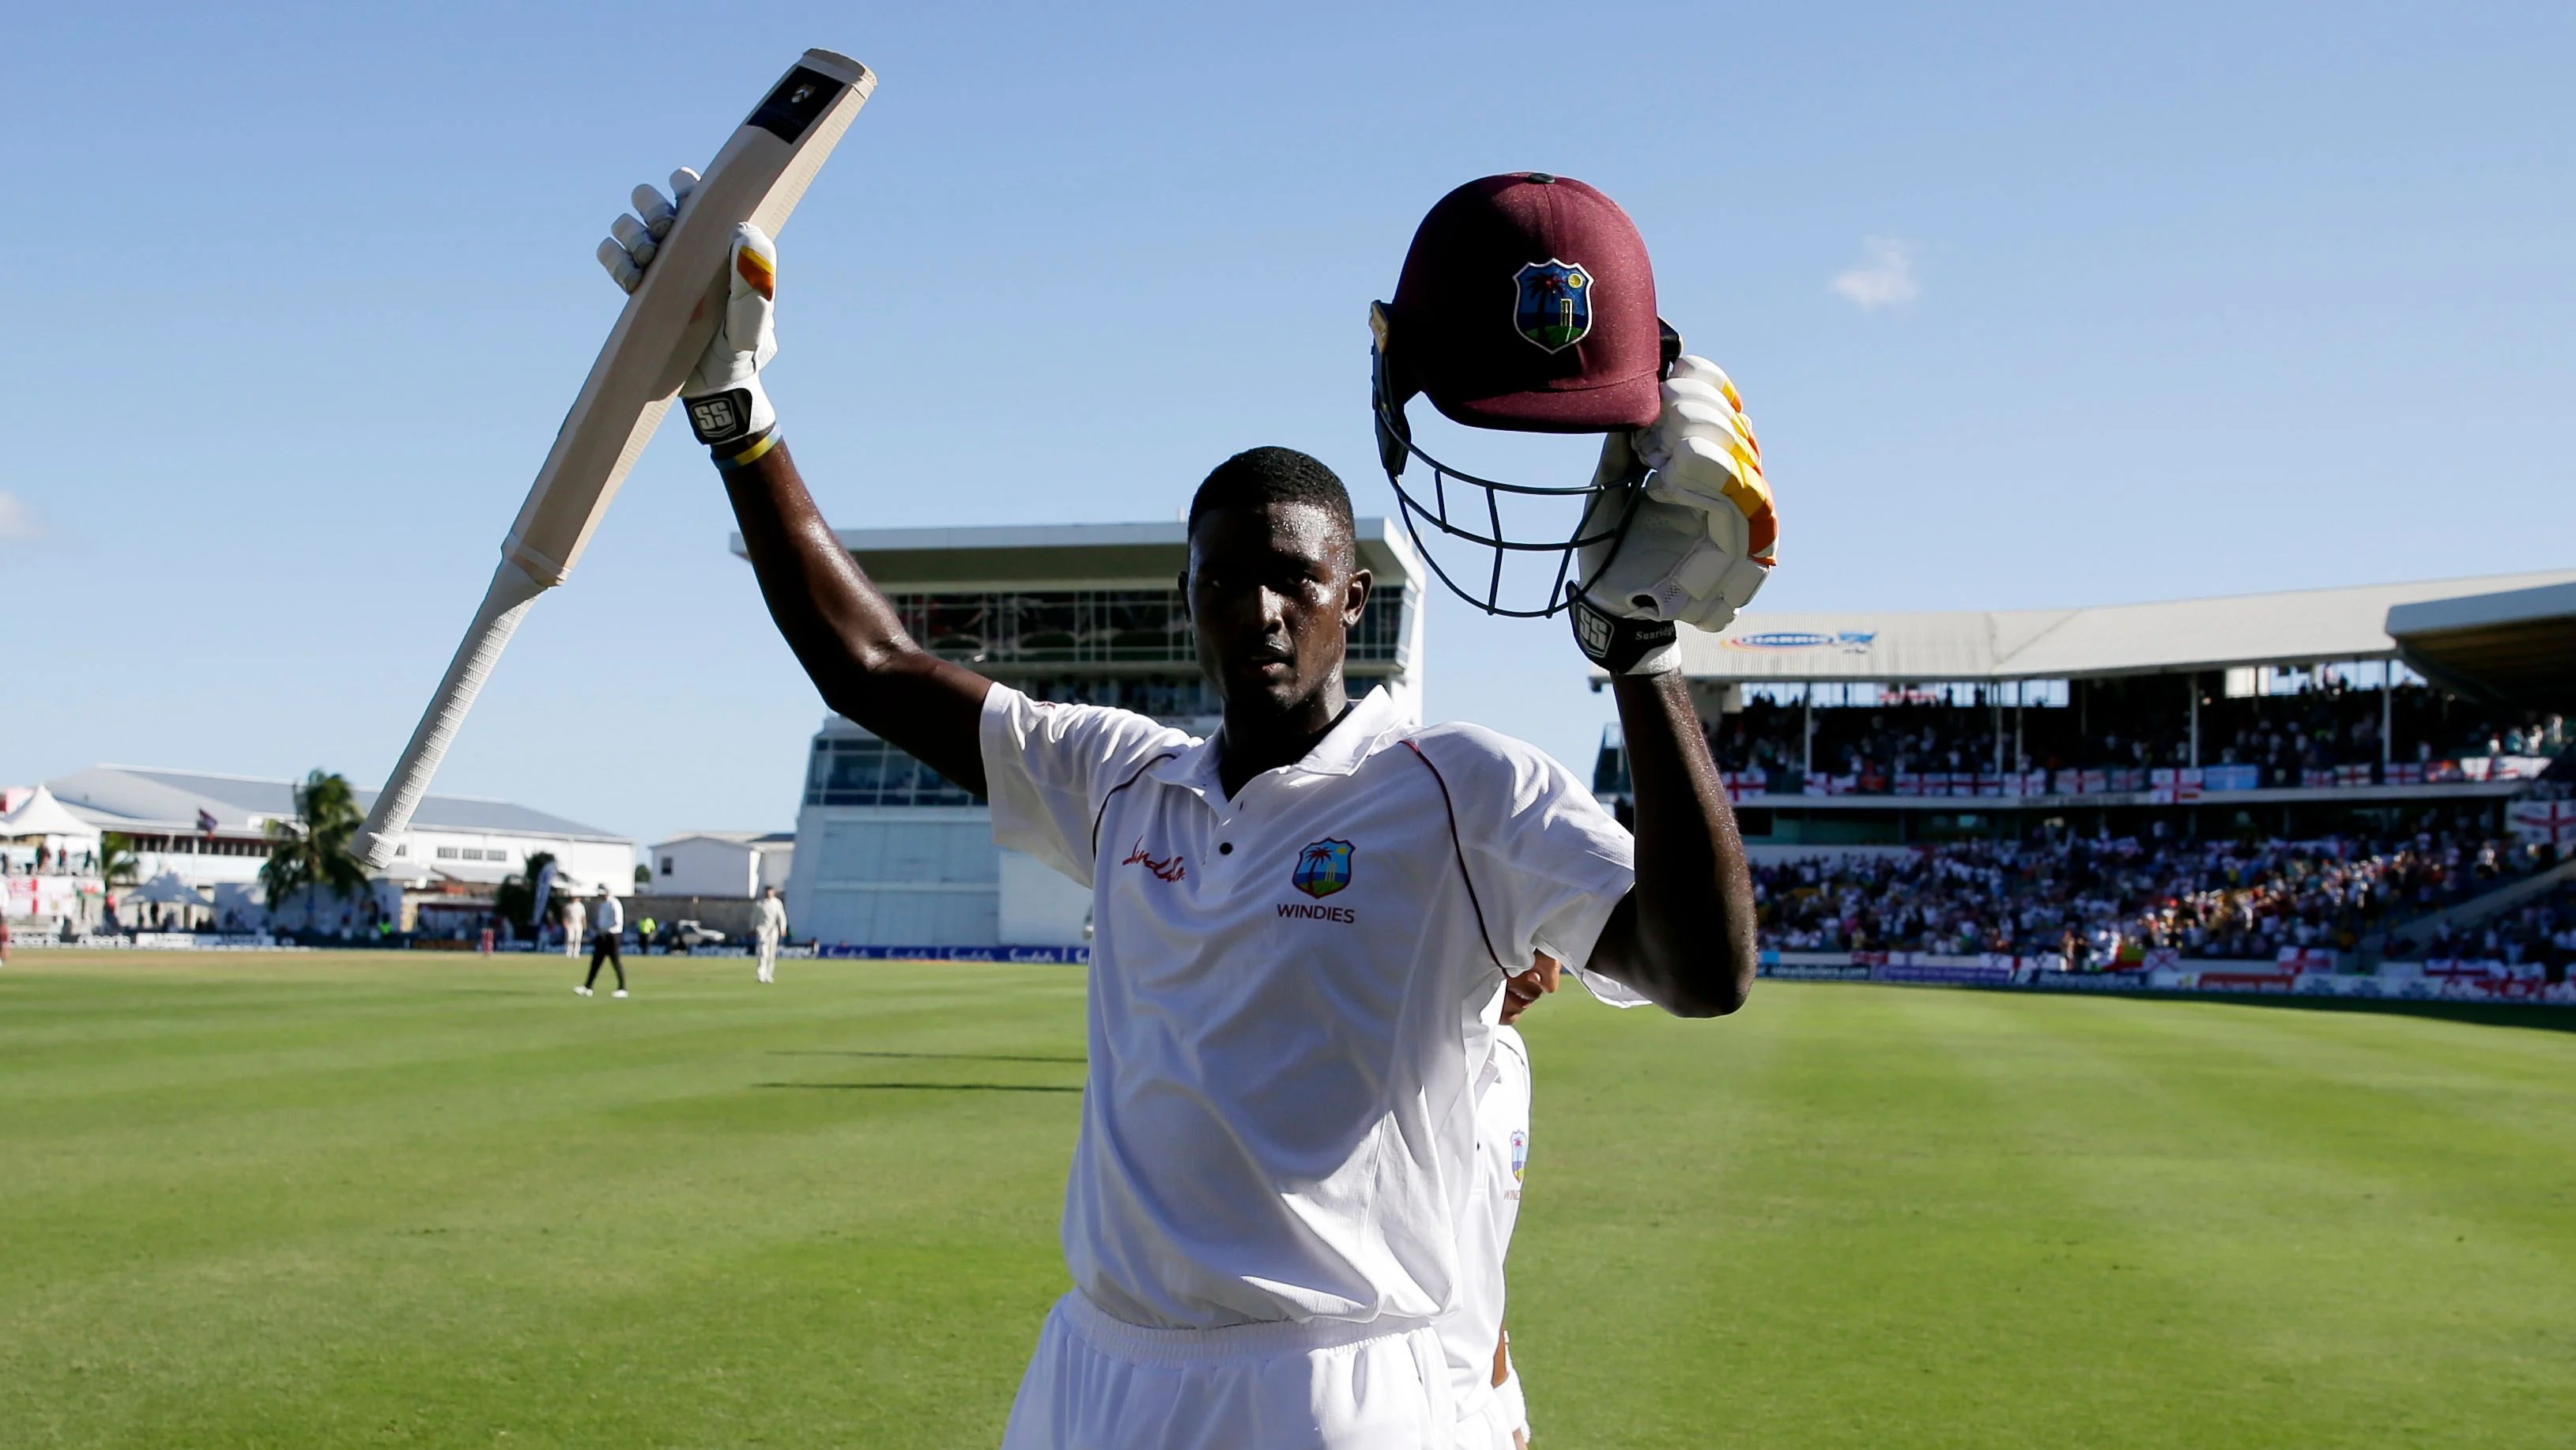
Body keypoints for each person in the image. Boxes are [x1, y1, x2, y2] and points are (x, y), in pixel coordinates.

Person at [595, 167, 1764, 1448]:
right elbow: (869, 664)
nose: (1260, 610)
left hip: (1340, 1384)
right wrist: (737, 412)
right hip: (1101, 1367)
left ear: (1350, 600)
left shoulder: (1462, 790)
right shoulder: (1120, 778)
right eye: (1226, 580)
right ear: (1188, 595)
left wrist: (1638, 653)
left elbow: (1700, 969)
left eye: (1293, 579)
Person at [579, 885, 627, 999]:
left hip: (612, 935)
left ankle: (623, 988)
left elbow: (617, 922)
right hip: (602, 935)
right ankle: (588, 987)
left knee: (615, 962)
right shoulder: (603, 904)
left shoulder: (614, 903)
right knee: (596, 962)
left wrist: (606, 929)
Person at [752, 885, 787, 984]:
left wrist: (783, 929)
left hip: (773, 930)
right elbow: (754, 917)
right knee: (763, 953)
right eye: (767, 891)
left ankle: (769, 975)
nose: (768, 893)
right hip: (762, 929)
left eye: (770, 891)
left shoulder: (777, 903)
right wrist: (752, 928)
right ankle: (761, 975)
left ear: (774, 892)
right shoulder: (760, 903)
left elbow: (782, 916)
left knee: (772, 954)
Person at [560, 893, 586, 961]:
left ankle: (576, 953)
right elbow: (565, 915)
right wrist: (565, 922)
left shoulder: (581, 906)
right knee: (570, 938)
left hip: (578, 924)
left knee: (577, 939)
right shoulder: (568, 906)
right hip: (570, 924)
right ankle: (569, 952)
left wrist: (584, 925)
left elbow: (583, 917)